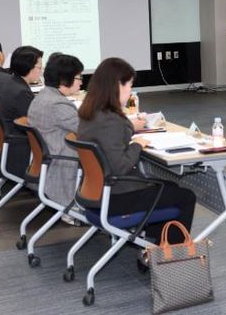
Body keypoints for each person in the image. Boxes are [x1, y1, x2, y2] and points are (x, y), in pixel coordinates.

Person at [77, 57, 196, 244]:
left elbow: (111, 140)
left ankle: (151, 247)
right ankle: (169, 254)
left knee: (169, 187)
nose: (130, 91)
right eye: (130, 85)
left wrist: (130, 130)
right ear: (118, 85)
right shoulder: (110, 120)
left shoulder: (91, 112)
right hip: (116, 197)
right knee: (186, 197)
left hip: (95, 193)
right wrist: (137, 145)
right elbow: (121, 167)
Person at [28, 54, 84, 220]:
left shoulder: (44, 96)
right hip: (63, 160)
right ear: (64, 80)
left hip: (49, 158)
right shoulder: (58, 104)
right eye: (78, 77)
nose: (81, 82)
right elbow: (88, 131)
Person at [0, 46, 44, 179]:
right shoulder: (21, 92)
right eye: (39, 67)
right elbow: (37, 123)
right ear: (28, 68)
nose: (41, 71)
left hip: (11, 141)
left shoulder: (11, 82)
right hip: (21, 145)